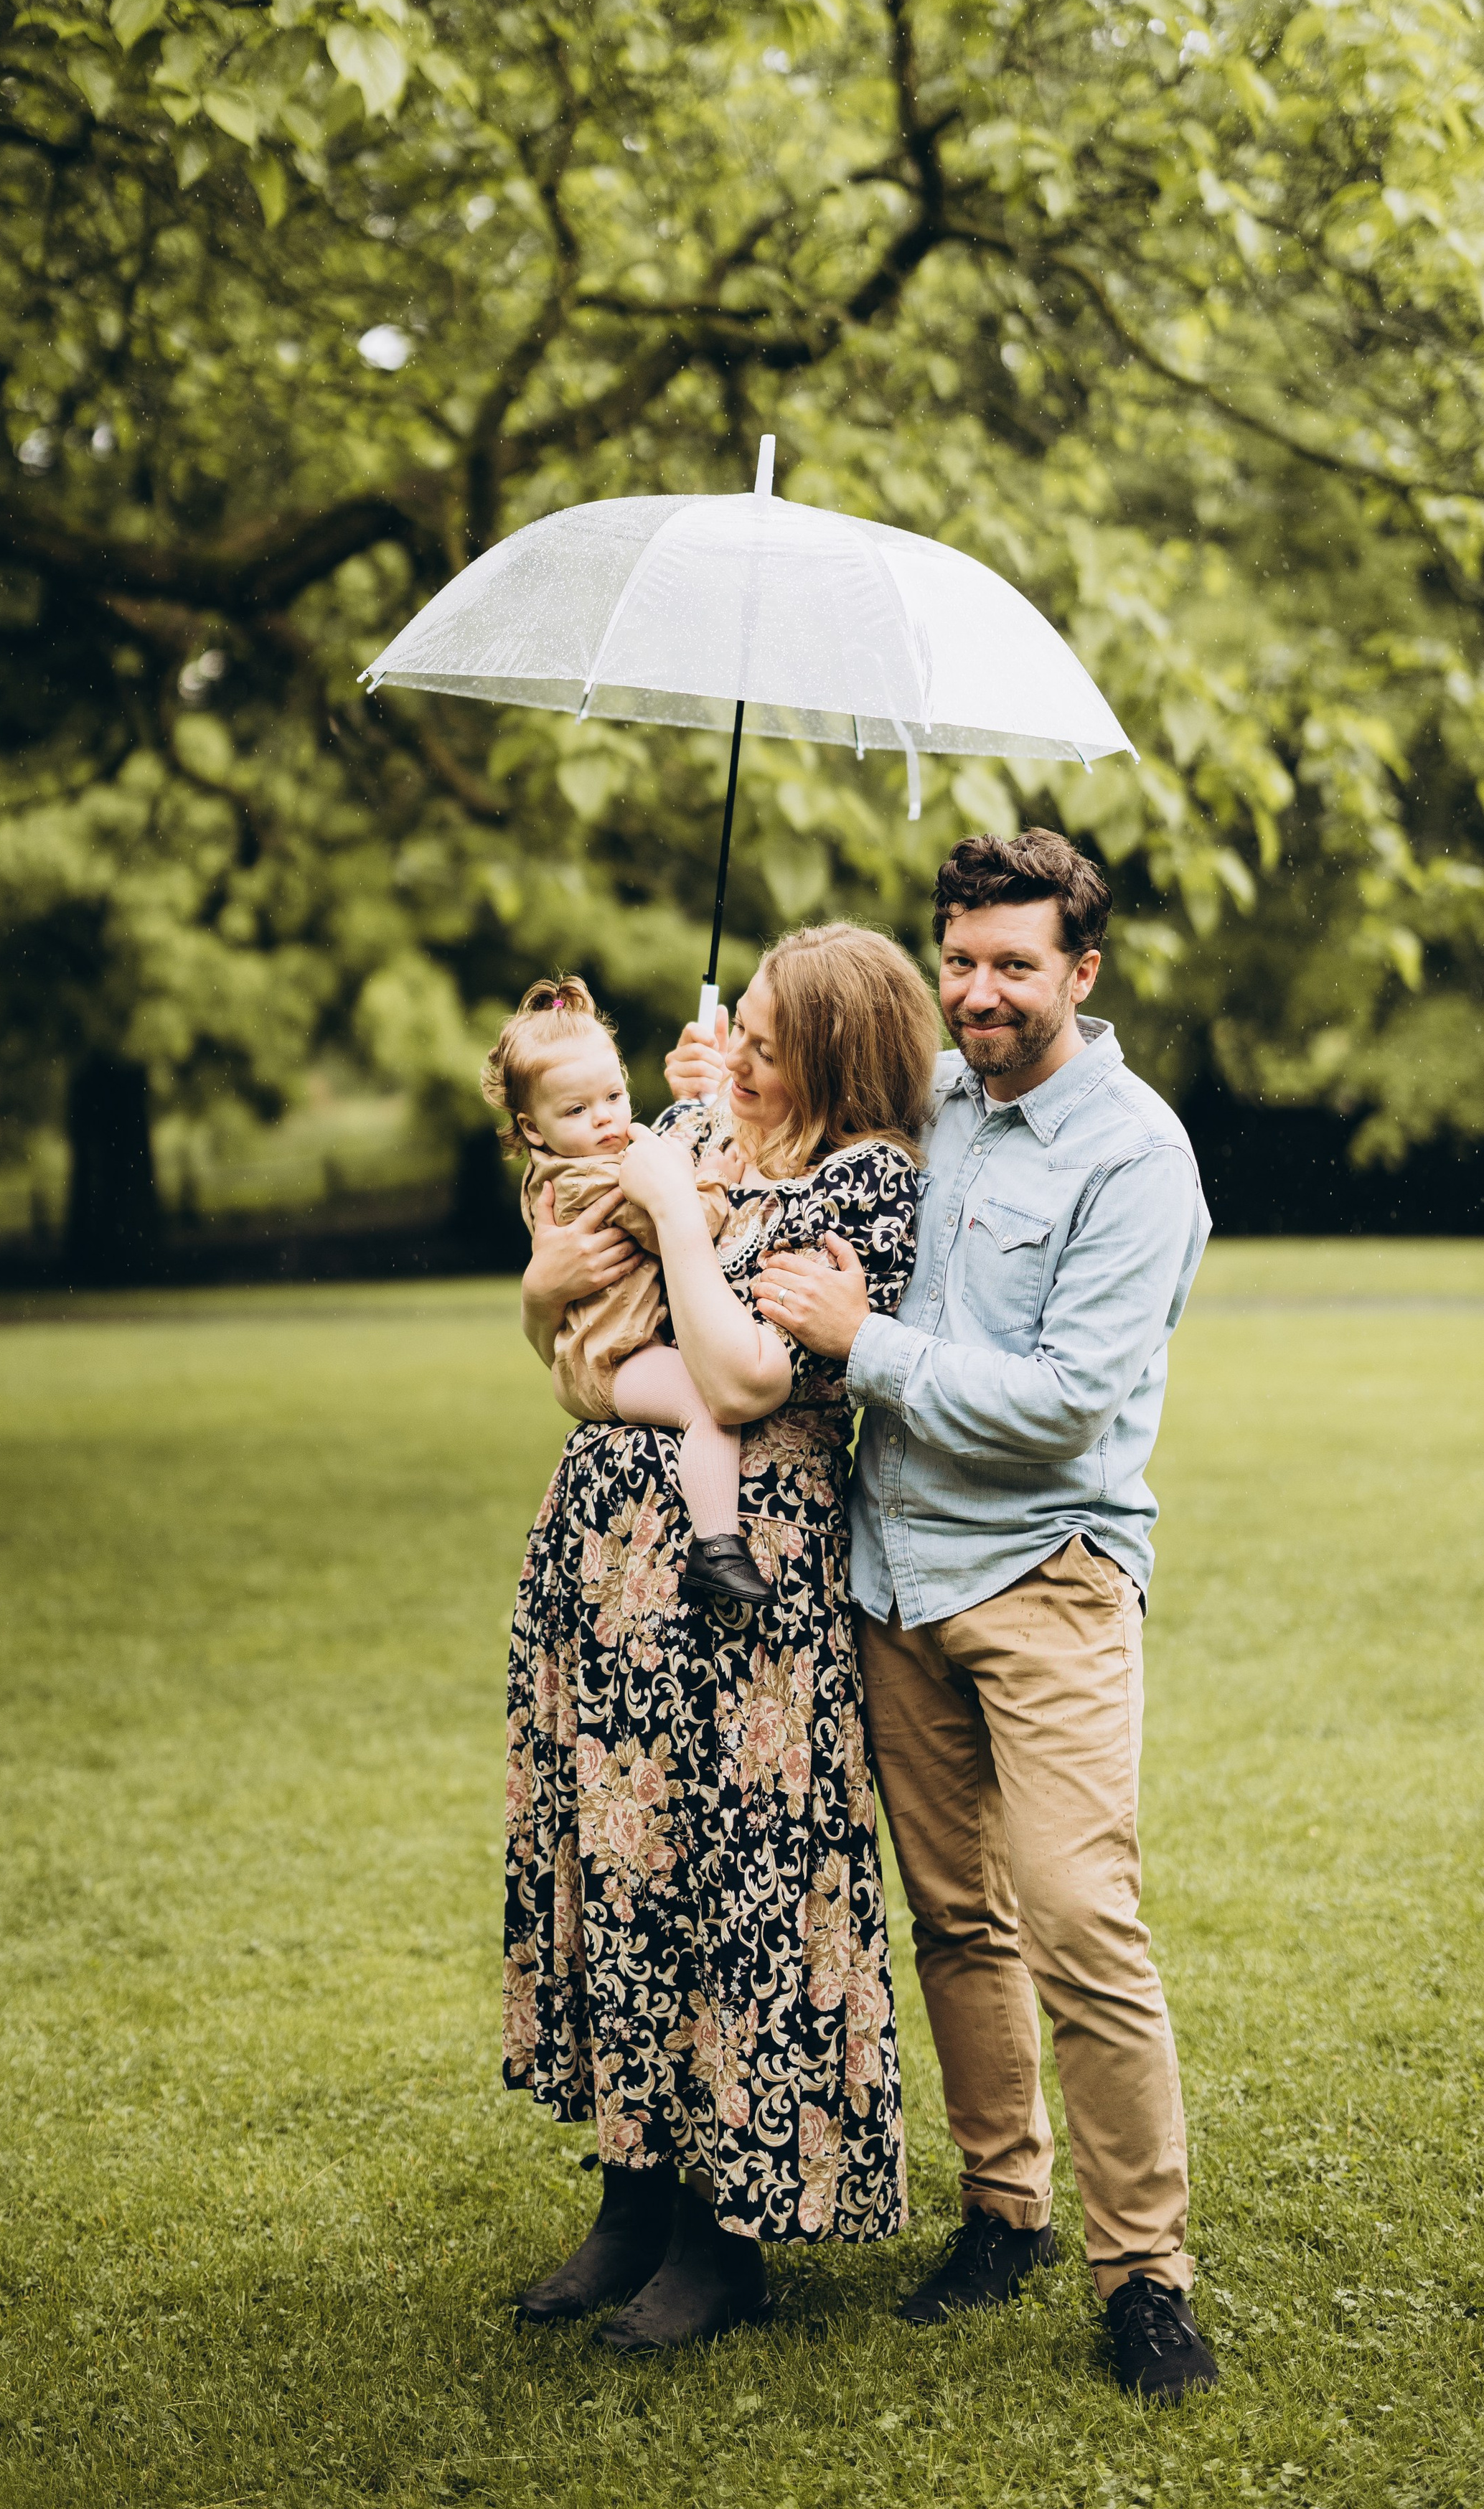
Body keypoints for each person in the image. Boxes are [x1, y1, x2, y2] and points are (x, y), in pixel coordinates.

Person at [670, 830, 1218, 2406]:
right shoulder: (936, 1112)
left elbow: (1066, 1407)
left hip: (1043, 1580)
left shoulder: (1133, 1155)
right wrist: (722, 1074)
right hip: (891, 1580)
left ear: (1081, 973)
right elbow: (800, 1125)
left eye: (1013, 967)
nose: (978, 994)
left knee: (1078, 1924)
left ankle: (1145, 2278)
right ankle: (1002, 2210)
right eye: (960, 962)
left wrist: (868, 1342)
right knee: (954, 1919)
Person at [506, 923, 939, 2351]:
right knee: (626, 1873)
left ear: (830, 1053)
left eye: (765, 1039)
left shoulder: (866, 1185)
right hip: (609, 1578)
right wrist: (548, 1291)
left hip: (740, 1604)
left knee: (729, 1886)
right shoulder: (694, 1129)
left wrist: (680, 1217)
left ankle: (719, 2237)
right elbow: (565, 1317)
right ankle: (631, 2196)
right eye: (736, 1027)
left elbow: (745, 1378)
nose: (733, 1054)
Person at [481, 973, 770, 1607]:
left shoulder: (569, 1162)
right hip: (613, 1361)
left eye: (613, 1095)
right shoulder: (593, 1182)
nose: (607, 1118)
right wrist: (713, 1182)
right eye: (577, 1111)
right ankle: (716, 1545)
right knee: (708, 1402)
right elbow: (675, 1226)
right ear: (533, 1128)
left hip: (598, 1351)